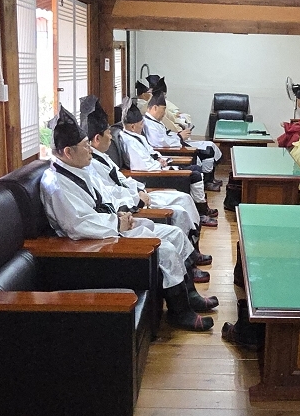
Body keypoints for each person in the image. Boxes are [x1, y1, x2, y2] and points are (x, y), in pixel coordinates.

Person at [40, 107, 219, 332]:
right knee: (165, 248)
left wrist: (122, 212)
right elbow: (78, 225)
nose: (90, 150)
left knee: (174, 234)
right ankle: (179, 311)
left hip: (112, 224)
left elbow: (106, 195)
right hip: (92, 242)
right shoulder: (56, 185)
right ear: (68, 152)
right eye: (85, 146)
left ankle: (189, 295)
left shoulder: (79, 169)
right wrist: (117, 223)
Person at [80, 95, 209, 249]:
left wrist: (140, 189)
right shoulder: (91, 166)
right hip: (128, 206)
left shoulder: (103, 157)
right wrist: (137, 198)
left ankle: (194, 240)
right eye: (108, 133)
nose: (111, 137)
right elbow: (114, 190)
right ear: (96, 139)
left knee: (185, 199)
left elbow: (122, 179)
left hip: (137, 194)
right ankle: (192, 248)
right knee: (179, 214)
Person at [115, 97, 217, 225]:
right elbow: (142, 166)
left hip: (158, 168)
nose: (143, 126)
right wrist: (159, 163)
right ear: (133, 126)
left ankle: (202, 208)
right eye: (141, 124)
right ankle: (201, 212)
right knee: (195, 175)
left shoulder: (136, 136)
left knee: (196, 169)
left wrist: (160, 159)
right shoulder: (129, 142)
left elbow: (151, 151)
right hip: (152, 176)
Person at [143, 90, 224, 192]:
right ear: (155, 108)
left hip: (176, 143)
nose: (164, 113)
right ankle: (207, 183)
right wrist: (180, 137)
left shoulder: (154, 121)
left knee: (209, 146)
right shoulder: (150, 125)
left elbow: (166, 135)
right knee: (207, 151)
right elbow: (160, 143)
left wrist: (179, 135)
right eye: (163, 110)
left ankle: (209, 180)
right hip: (171, 151)